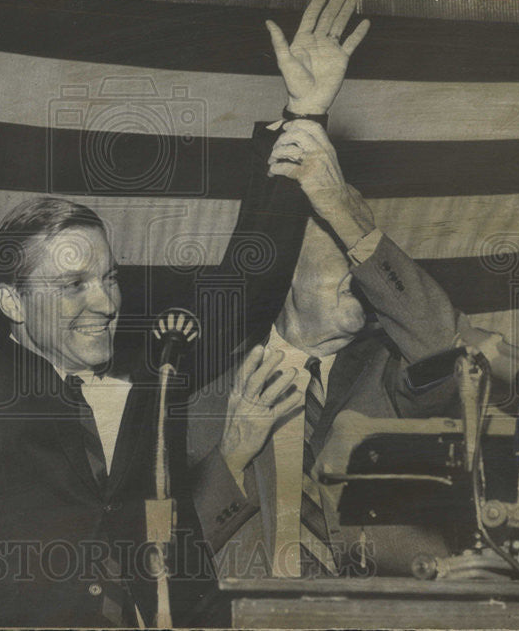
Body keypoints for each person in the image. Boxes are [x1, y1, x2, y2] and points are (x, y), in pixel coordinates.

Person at [0, 0, 369, 627]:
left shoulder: (155, 366)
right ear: (10, 301)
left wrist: (304, 116)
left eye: (108, 278)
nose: (103, 302)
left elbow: (248, 289)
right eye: (70, 287)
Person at [188, 113, 469, 588]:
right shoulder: (202, 391)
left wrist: (345, 214)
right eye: (340, 240)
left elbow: (446, 346)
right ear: (286, 265)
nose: (362, 264)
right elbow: (155, 559)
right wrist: (230, 459)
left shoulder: (393, 368)